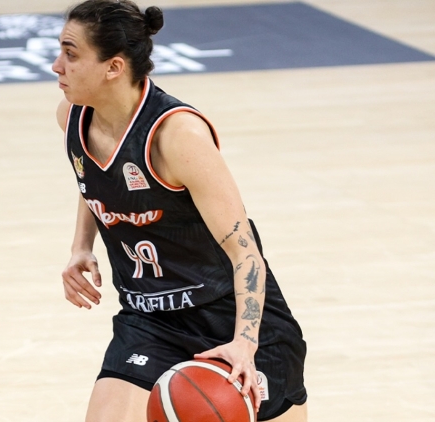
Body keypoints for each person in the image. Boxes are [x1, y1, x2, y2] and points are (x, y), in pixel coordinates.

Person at [52, 1, 307, 420]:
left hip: (227, 313)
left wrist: (246, 342)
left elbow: (246, 253)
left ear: (113, 67)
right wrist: (81, 246)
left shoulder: (176, 135)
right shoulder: (72, 118)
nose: (56, 66)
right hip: (149, 318)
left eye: (70, 54)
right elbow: (93, 178)